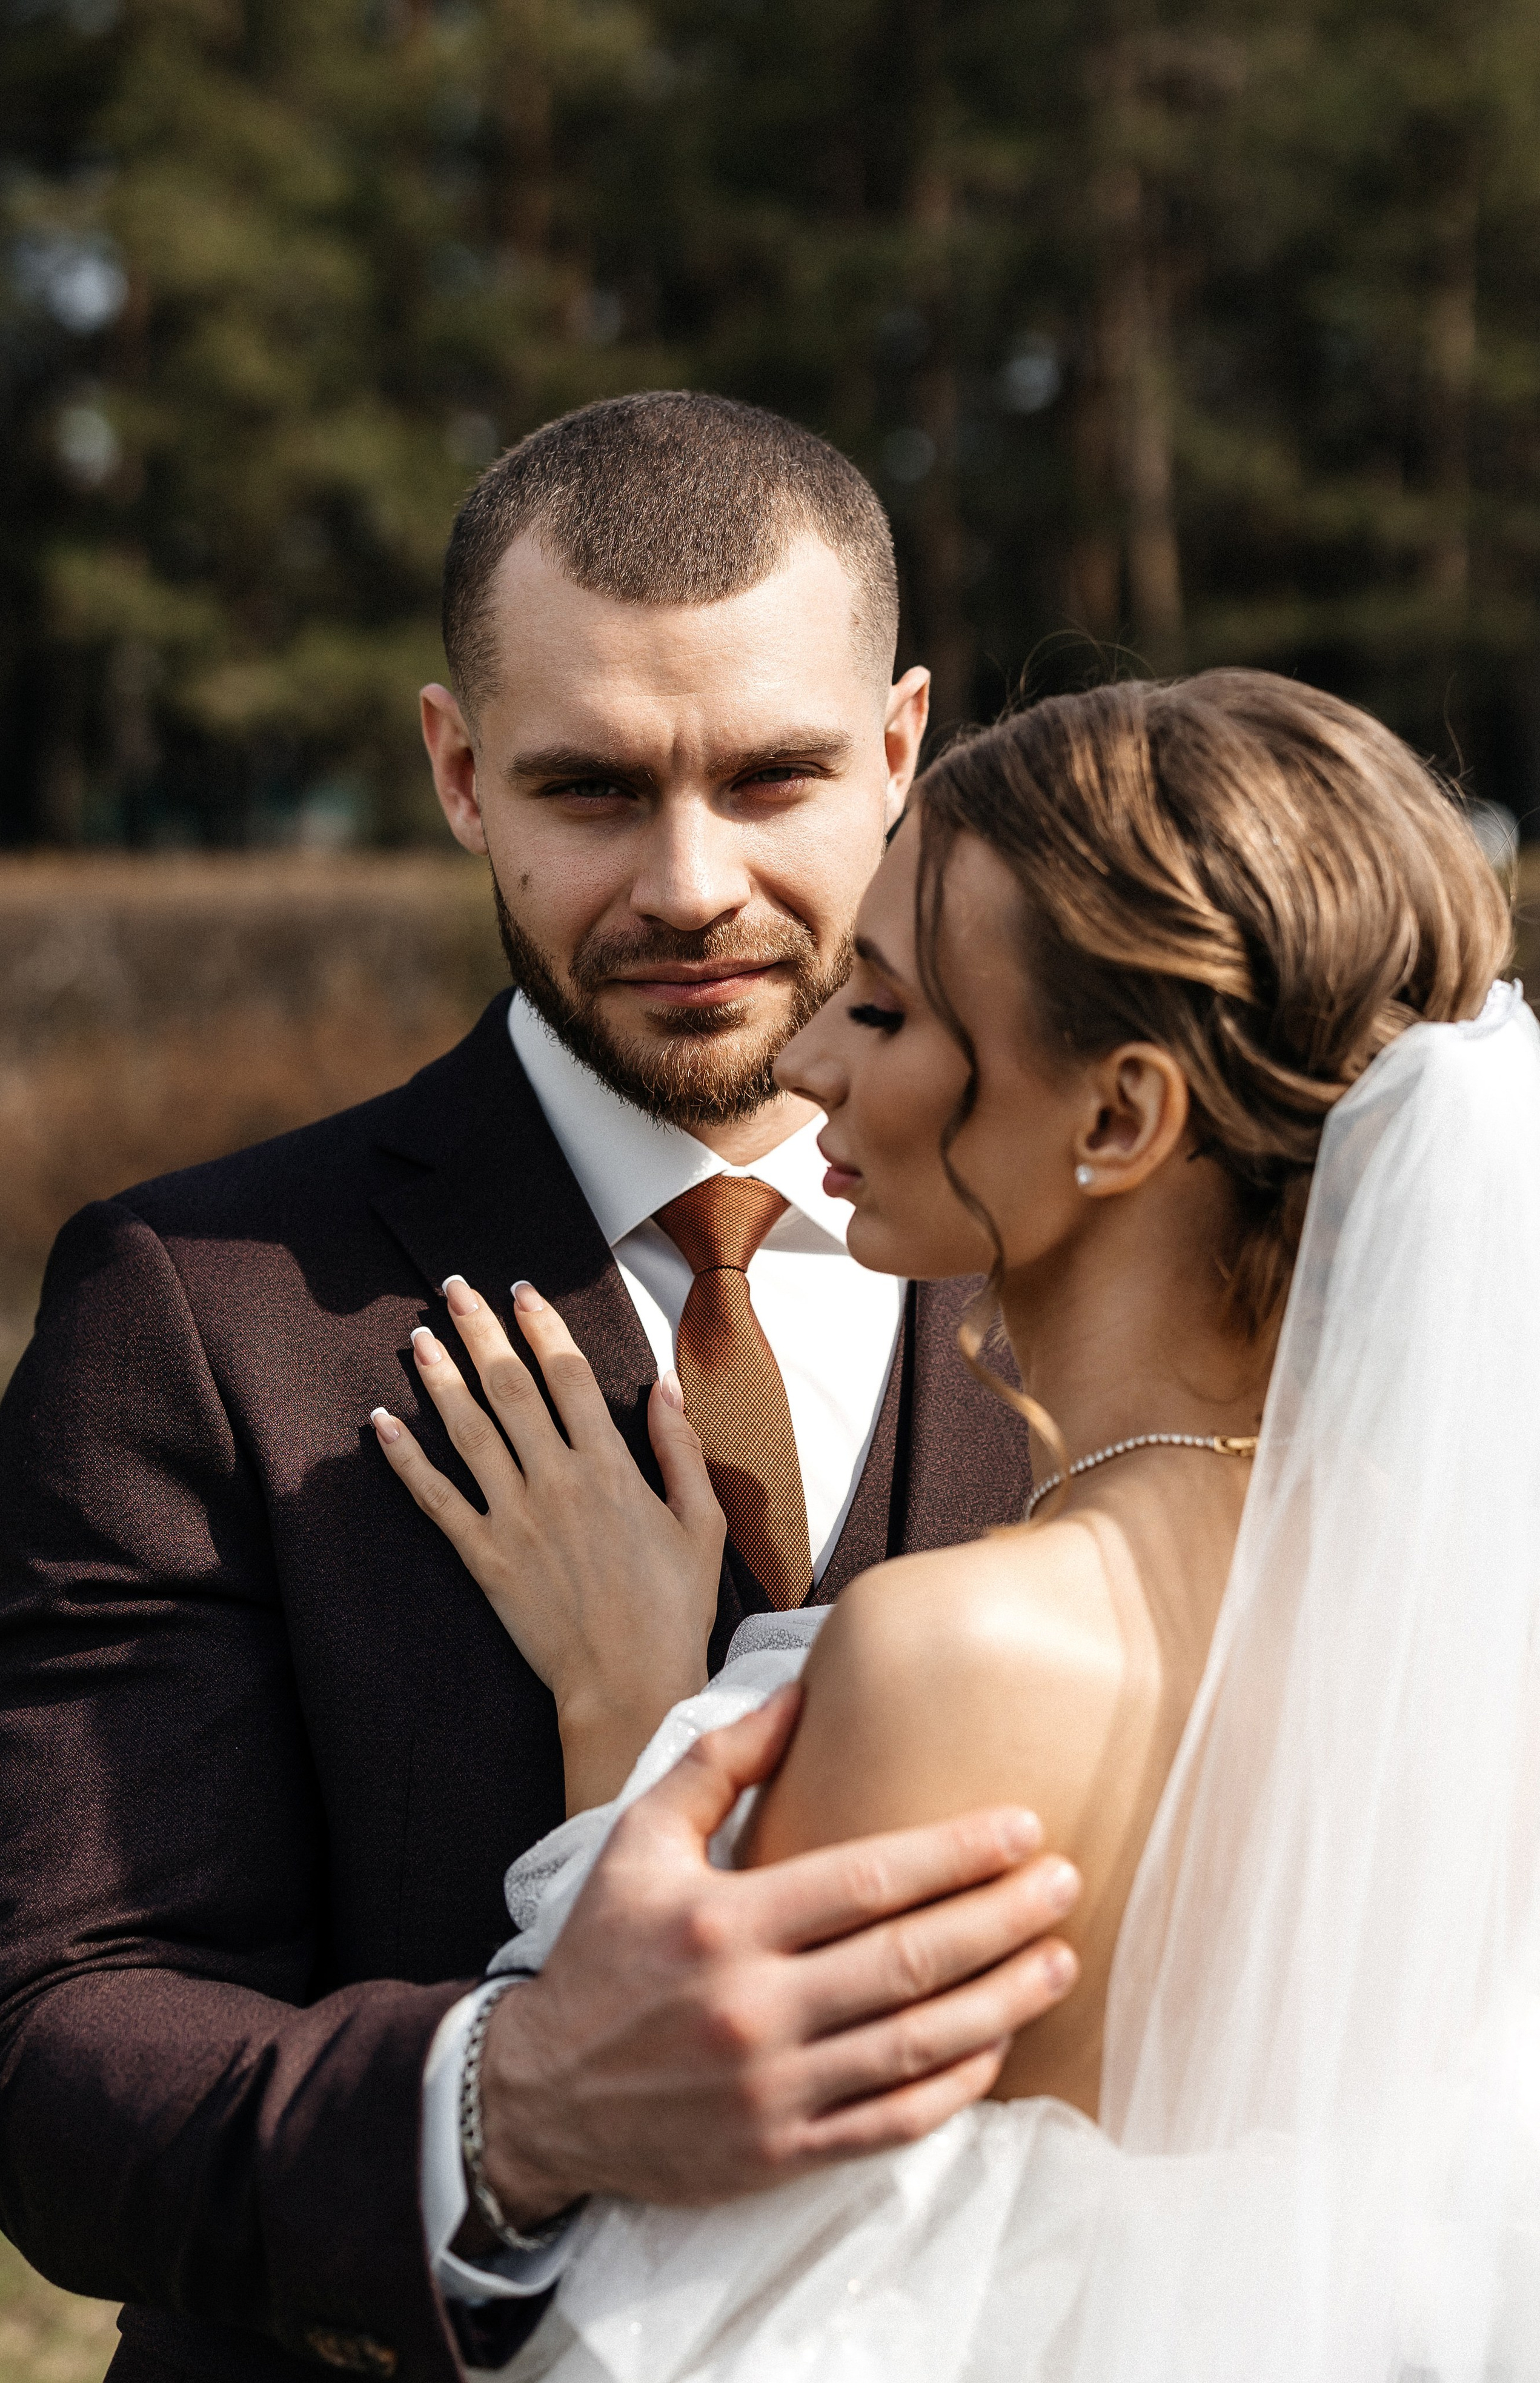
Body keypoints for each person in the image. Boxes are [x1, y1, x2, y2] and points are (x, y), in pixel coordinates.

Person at [0, 394, 1081, 2383]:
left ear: (902, 748)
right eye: (591, 790)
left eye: (772, 776)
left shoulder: (1111, 1271)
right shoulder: (196, 1311)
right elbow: (61, 2046)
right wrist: (520, 2108)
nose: (690, 884)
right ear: (458, 771)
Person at [377, 668, 1540, 2379]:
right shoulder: (1470, 1611)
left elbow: (688, 2329)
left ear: (1119, 1116)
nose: (810, 1059)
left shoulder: (963, 1653)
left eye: (887, 1011)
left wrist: (629, 1718)